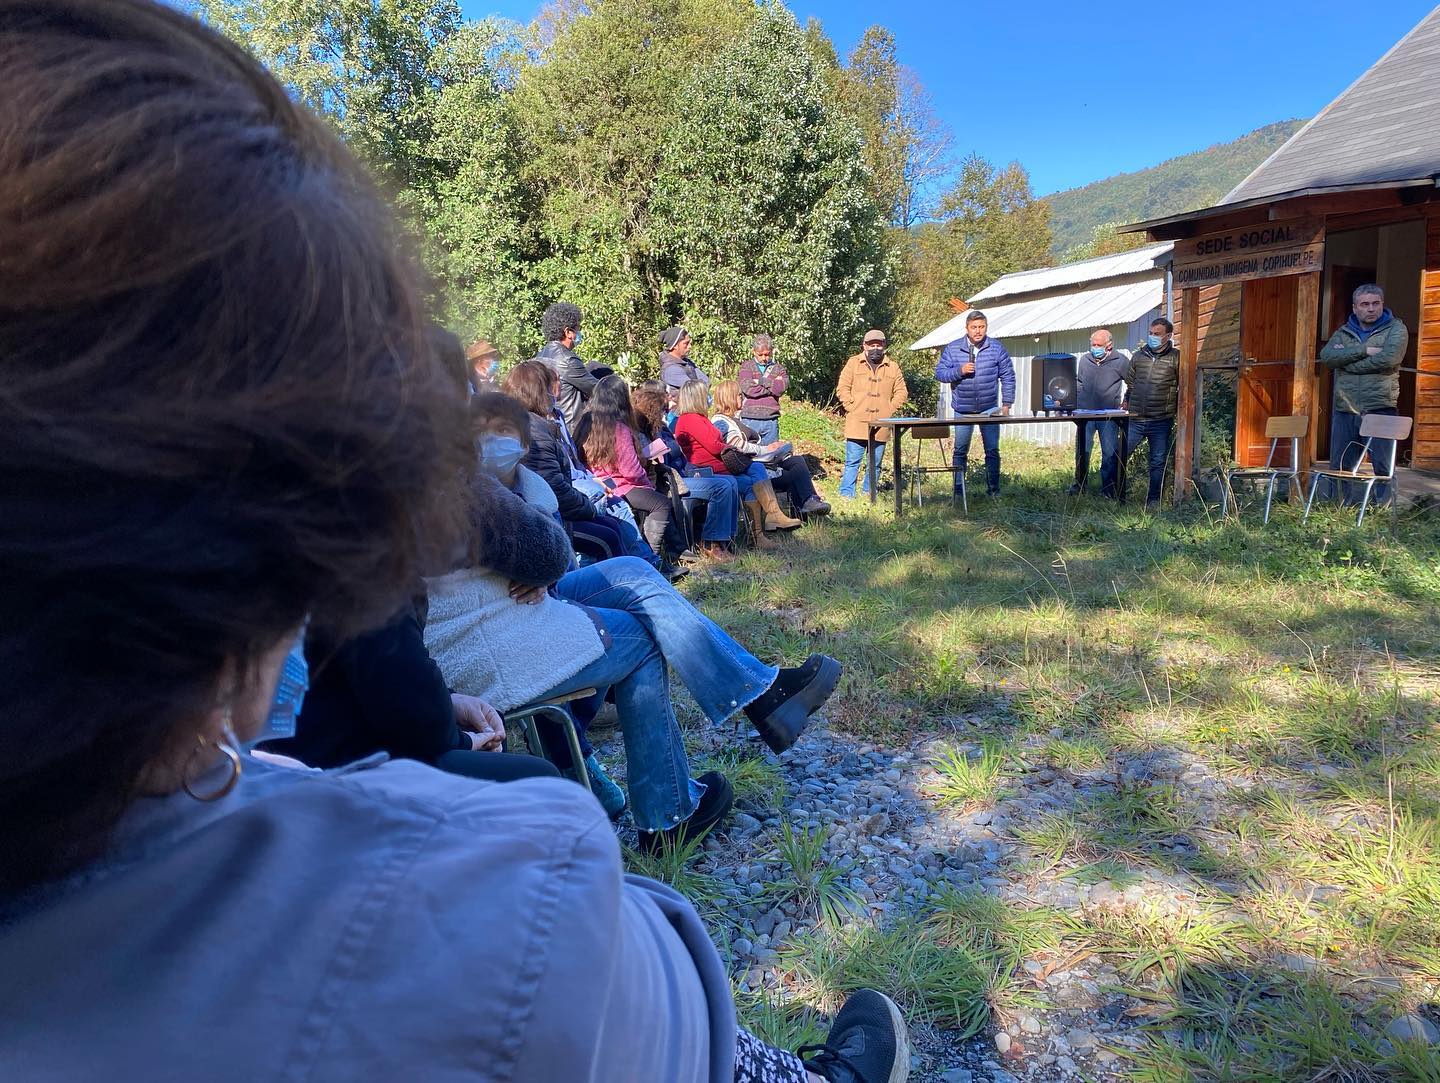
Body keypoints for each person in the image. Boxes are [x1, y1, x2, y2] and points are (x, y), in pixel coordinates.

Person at [0, 5, 910, 1081]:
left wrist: (608, 495)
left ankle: (714, 733)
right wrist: (580, 497)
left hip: (487, 646)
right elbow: (518, 566)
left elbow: (553, 536)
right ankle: (703, 757)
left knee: (643, 563)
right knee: (640, 600)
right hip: (476, 666)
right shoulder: (510, 901)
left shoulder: (500, 471)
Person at [428, 393, 846, 845]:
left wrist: (540, 563)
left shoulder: (427, 468)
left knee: (632, 572)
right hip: (482, 641)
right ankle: (668, 813)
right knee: (644, 638)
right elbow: (547, 550)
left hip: (488, 612)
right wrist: (539, 560)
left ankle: (760, 695)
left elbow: (553, 554)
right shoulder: (452, 477)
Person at [262, 595, 564, 786]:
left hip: (318, 749)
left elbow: (387, 678)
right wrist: (463, 739)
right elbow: (417, 717)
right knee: (539, 780)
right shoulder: (367, 576)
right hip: (331, 771)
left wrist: (449, 702)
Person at [504, 359, 658, 567]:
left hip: (559, 505)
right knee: (608, 535)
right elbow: (555, 487)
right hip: (548, 517)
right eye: (549, 386)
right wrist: (589, 508)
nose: (554, 392)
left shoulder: (540, 425)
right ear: (538, 391)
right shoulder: (534, 432)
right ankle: (629, 580)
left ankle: (639, 571)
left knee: (611, 525)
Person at [674, 380, 803, 543]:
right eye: (704, 394)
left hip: (719, 468)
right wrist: (731, 448)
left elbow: (716, 444)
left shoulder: (701, 418)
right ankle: (763, 526)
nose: (708, 398)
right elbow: (714, 446)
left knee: (752, 477)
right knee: (752, 472)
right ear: (697, 397)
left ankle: (759, 533)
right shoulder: (690, 419)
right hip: (707, 472)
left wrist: (728, 448)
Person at [1320, 283, 1408, 504]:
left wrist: (1348, 363)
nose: (1371, 309)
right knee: (1340, 465)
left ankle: (1383, 511)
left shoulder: (1396, 329)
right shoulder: (1343, 332)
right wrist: (1364, 350)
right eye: (1365, 304)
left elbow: (1389, 359)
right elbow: (1328, 357)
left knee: (1382, 466)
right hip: (1345, 408)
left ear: (1382, 304)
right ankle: (1338, 510)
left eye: (1375, 303)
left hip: (1380, 407)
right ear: (1355, 307)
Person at [575, 375, 679, 561]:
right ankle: (651, 558)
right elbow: (631, 470)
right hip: (622, 487)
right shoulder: (619, 428)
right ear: (621, 399)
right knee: (661, 503)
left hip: (595, 486)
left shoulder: (584, 423)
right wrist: (647, 483)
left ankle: (660, 554)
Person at [633, 386, 742, 563]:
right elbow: (653, 464)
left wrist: (691, 468)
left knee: (730, 481)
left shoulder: (662, 428)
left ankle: (726, 540)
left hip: (685, 472)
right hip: (671, 481)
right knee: (721, 487)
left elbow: (678, 455)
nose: (665, 413)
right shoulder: (642, 433)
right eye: (662, 410)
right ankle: (711, 543)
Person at [712, 379, 830, 518]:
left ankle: (807, 504)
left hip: (758, 462)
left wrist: (772, 450)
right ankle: (805, 506)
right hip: (750, 470)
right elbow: (738, 446)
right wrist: (767, 449)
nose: (742, 398)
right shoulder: (721, 422)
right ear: (729, 397)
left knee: (795, 461)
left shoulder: (733, 419)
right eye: (739, 395)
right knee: (795, 473)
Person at [935, 310, 1015, 498]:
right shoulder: (953, 349)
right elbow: (940, 373)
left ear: (986, 327)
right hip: (963, 409)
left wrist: (1007, 404)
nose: (978, 331)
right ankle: (958, 492)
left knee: (992, 450)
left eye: (981, 327)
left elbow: (1008, 376)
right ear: (967, 328)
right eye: (974, 327)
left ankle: (994, 491)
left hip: (990, 408)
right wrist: (960, 370)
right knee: (960, 450)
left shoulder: (996, 348)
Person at [836, 329, 909, 499]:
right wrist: (851, 406)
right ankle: (846, 494)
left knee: (875, 463)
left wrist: (889, 409)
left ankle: (870, 494)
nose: (875, 348)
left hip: (881, 423)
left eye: (879, 344)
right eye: (871, 345)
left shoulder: (893, 366)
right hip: (857, 422)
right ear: (864, 345)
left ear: (884, 345)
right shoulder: (853, 363)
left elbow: (902, 392)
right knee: (852, 462)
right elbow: (842, 387)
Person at [1123, 317, 1181, 509]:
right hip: (1135, 419)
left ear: (1168, 336)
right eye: (1151, 333)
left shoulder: (1176, 357)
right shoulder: (1139, 356)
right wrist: (1127, 400)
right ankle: (1116, 495)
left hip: (1160, 420)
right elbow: (1130, 382)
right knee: (1119, 455)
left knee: (1157, 462)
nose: (1153, 337)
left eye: (1157, 334)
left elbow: (1183, 385)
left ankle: (1153, 501)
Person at [535, 301, 611, 431]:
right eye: (577, 329)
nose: (579, 333)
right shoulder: (567, 359)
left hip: (552, 426)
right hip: (572, 428)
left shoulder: (540, 355)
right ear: (568, 332)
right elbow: (597, 389)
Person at [1071, 329, 1128, 499]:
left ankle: (1108, 490)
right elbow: (1079, 383)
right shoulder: (1085, 360)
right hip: (1085, 414)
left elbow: (1133, 382)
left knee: (1109, 453)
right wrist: (1076, 404)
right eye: (1093, 345)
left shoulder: (1121, 361)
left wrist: (1127, 401)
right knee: (1082, 451)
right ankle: (1079, 486)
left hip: (1108, 416)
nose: (1095, 348)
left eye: (1099, 345)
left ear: (1109, 346)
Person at [738, 333, 789, 445]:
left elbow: (781, 388)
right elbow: (748, 389)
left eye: (767, 355)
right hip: (749, 419)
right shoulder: (746, 366)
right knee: (749, 456)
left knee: (771, 457)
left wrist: (760, 381)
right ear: (753, 352)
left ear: (771, 351)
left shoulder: (778, 368)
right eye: (760, 355)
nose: (763, 358)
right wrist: (772, 385)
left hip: (771, 420)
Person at [659, 324, 710, 393]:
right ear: (675, 346)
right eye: (686, 343)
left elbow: (706, 381)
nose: (690, 346)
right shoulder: (671, 369)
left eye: (690, 343)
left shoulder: (686, 362)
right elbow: (694, 389)